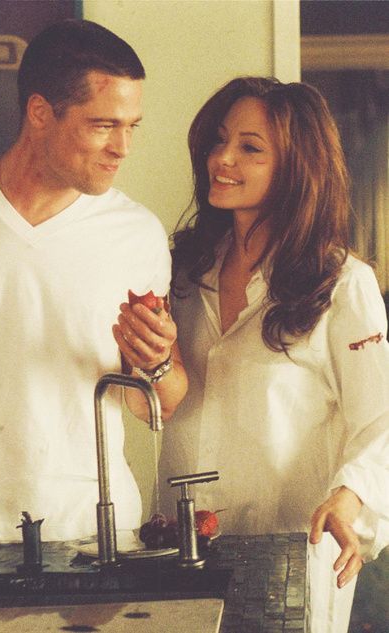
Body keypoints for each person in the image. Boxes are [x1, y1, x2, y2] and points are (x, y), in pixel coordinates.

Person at [0, 19, 186, 546]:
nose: (123, 147)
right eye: (104, 125)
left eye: (131, 126)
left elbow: (155, 406)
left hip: (97, 530)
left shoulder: (136, 233)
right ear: (41, 113)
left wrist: (156, 362)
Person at [156, 77, 389, 633]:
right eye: (219, 141)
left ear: (296, 168)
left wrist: (350, 498)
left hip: (293, 554)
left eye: (250, 148)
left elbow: (381, 420)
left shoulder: (342, 284)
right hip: (180, 551)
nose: (223, 159)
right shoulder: (181, 272)